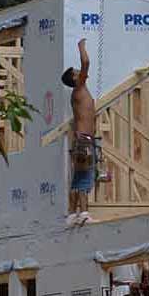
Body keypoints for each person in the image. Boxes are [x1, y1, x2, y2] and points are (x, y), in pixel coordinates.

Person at [62, 39, 96, 225]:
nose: (80, 72)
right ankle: (82, 212)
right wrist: (81, 46)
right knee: (83, 176)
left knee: (80, 175)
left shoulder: (81, 91)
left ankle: (72, 213)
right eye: (77, 72)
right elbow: (86, 63)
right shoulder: (80, 88)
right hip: (84, 140)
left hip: (84, 139)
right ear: (75, 78)